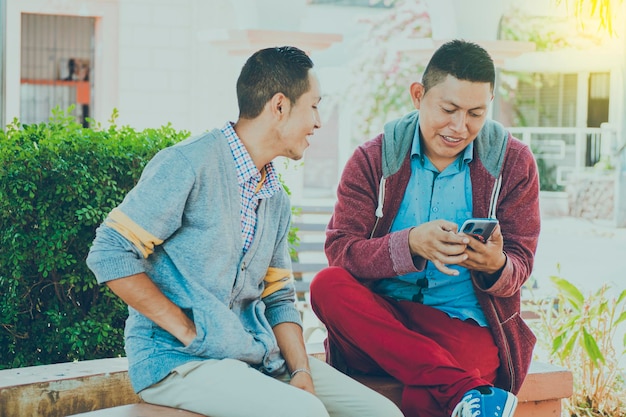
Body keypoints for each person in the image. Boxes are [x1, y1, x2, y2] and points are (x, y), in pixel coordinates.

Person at [86, 46, 403, 417]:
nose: (319, 122)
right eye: (314, 106)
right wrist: (189, 332)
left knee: (381, 414)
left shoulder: (276, 198)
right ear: (280, 106)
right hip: (178, 362)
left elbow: (279, 296)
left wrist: (301, 370)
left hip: (258, 358)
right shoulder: (189, 164)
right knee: (303, 414)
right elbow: (109, 251)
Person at [310, 39, 540, 417]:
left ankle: (451, 385)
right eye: (448, 109)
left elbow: (521, 265)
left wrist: (495, 265)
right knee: (326, 286)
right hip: (381, 320)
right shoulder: (372, 160)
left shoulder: (512, 163)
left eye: (475, 113)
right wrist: (411, 244)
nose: (459, 127)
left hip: (460, 325)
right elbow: (341, 251)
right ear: (418, 95)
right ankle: (465, 390)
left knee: (430, 390)